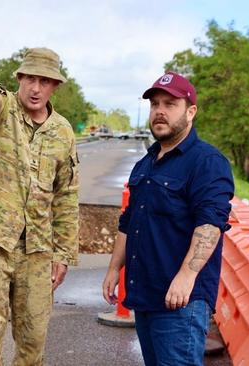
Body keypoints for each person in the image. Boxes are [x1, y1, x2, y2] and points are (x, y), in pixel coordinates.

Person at [102, 72, 234, 365]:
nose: (160, 111)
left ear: (190, 112)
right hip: (146, 295)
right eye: (155, 104)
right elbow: (129, 221)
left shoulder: (207, 162)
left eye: (170, 104)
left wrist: (186, 278)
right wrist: (114, 269)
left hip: (180, 302)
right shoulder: (146, 163)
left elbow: (211, 224)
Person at [0, 47, 79, 366]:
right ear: (20, 78)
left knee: (32, 341)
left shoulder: (63, 132)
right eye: (30, 79)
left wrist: (63, 254)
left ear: (55, 86)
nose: (36, 88)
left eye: (45, 81)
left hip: (37, 250)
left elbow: (66, 195)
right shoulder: (2, 108)